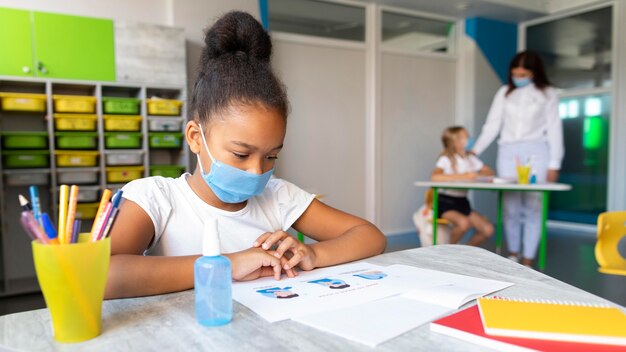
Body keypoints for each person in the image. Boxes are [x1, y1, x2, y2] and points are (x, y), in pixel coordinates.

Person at [105, 11, 386, 299]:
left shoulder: (277, 196)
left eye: (271, 156)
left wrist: (312, 253)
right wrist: (226, 265)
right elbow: (104, 275)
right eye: (241, 154)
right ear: (195, 137)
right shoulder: (157, 198)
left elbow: (370, 236)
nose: (256, 171)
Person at [471, 50, 563, 267]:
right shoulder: (505, 92)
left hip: (537, 152)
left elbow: (554, 129)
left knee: (533, 205)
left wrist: (554, 163)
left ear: (533, 72)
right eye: (515, 71)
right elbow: (492, 125)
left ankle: (529, 258)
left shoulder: (547, 93)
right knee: (511, 206)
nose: (518, 76)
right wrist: (474, 151)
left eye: (523, 72)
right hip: (509, 152)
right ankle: (513, 254)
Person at [431, 126, 495, 246]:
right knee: (464, 223)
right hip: (445, 202)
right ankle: (446, 252)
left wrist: (476, 174)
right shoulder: (446, 159)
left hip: (462, 202)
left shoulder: (470, 158)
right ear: (455, 142)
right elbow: (435, 176)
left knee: (488, 230)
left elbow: (490, 172)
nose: (469, 139)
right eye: (466, 136)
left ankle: (463, 253)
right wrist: (464, 176)